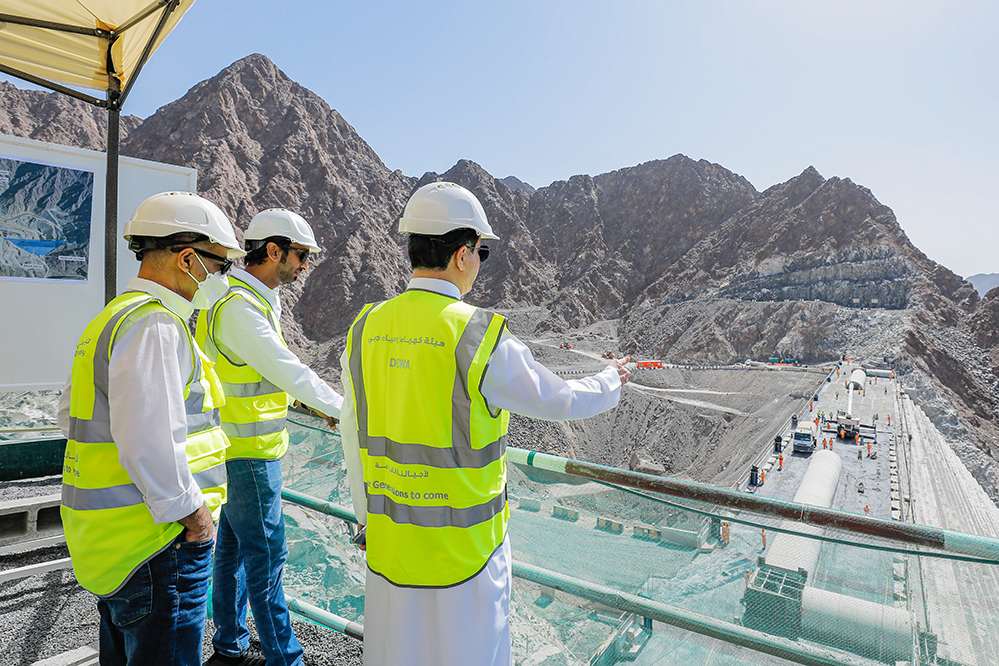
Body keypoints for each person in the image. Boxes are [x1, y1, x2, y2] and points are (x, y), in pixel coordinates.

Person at [339, 182, 631, 666]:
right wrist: (610, 380)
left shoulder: (365, 326)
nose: (480, 260)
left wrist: (365, 518)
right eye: (482, 251)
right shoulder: (476, 333)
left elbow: (351, 431)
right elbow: (559, 399)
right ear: (462, 254)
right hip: (466, 557)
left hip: (391, 545)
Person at [58, 191, 244, 666]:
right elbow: (150, 444)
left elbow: (69, 416)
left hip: (112, 542)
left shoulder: (112, 318)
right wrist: (197, 520)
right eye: (221, 265)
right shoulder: (156, 326)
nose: (223, 278)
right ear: (188, 259)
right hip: (159, 542)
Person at [196, 209, 344, 666]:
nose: (305, 266)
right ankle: (286, 659)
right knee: (267, 560)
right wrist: (346, 411)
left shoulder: (238, 297)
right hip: (250, 454)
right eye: (301, 255)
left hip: (233, 448)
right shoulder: (240, 308)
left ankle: (229, 648)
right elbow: (288, 370)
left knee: (233, 554)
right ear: (274, 251)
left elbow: (260, 372)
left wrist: (309, 403)